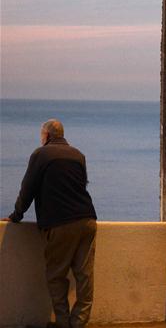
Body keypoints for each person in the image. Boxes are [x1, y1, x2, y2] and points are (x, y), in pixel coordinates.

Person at [4, 119, 98, 328]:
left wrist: (16, 215)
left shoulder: (40, 154)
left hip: (60, 223)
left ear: (46, 135)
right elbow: (81, 185)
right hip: (87, 219)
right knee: (84, 275)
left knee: (56, 275)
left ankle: (63, 322)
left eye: (41, 135)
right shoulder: (78, 155)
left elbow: (27, 189)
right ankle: (79, 322)